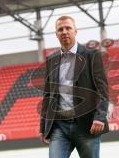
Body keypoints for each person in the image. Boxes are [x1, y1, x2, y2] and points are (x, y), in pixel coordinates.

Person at [39, 15, 109, 158]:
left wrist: (99, 117)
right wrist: (43, 126)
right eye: (60, 29)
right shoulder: (51, 60)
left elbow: (102, 89)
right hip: (59, 126)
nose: (64, 31)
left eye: (68, 28)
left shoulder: (92, 55)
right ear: (56, 34)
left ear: (75, 31)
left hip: (87, 125)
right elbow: (47, 95)